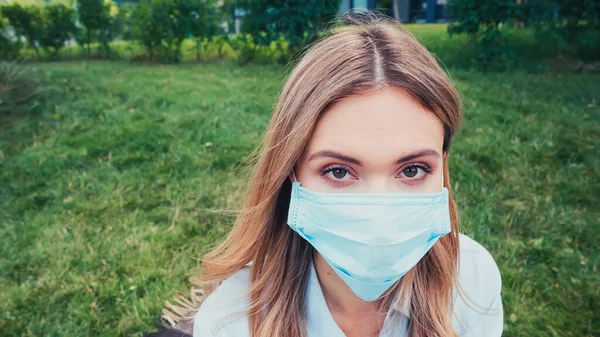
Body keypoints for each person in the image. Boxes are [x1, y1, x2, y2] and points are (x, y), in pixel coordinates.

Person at [165, 12, 503, 337]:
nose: (378, 218)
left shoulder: (473, 282)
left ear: (442, 167)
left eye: (412, 170)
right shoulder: (230, 324)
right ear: (292, 172)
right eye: (339, 171)